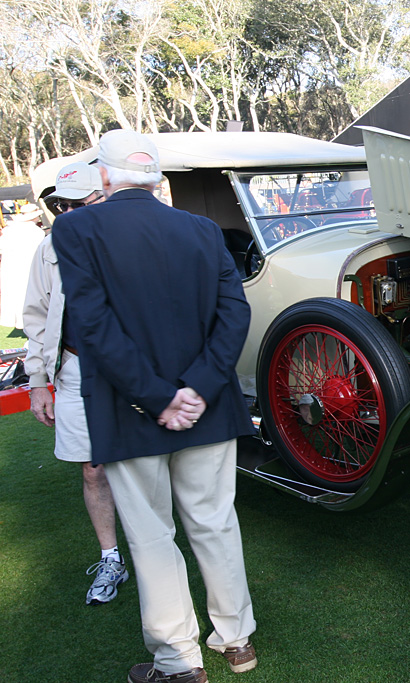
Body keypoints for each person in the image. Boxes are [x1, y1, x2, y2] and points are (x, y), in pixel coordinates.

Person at [52, 129, 257, 683]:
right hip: (205, 407)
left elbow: (91, 325)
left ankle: (178, 661)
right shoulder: (201, 228)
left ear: (104, 175)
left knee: (150, 534)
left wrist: (159, 396)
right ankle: (237, 640)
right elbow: (234, 314)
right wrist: (196, 390)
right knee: (215, 524)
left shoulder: (74, 227)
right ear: (157, 178)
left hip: (128, 408)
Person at [23, 162, 129, 606]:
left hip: (129, 370)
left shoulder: (129, 241)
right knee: (93, 467)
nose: (65, 213)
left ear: (101, 199)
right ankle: (111, 558)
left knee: (145, 465)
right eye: (57, 206)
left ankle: (154, 552)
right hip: (72, 370)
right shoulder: (48, 249)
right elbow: (35, 317)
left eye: (76, 203)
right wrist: (35, 381)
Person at [0, 204, 45, 328]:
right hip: (26, 265)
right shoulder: (36, 232)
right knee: (26, 293)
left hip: (11, 265)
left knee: (15, 293)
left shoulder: (9, 230)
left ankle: (22, 322)